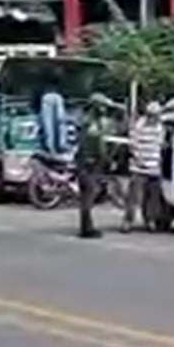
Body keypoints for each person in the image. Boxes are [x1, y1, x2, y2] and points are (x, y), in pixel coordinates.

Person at [74, 94, 115, 240]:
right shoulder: (90, 123)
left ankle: (87, 226)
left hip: (88, 162)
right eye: (102, 107)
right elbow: (94, 145)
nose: (104, 110)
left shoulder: (90, 121)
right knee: (89, 195)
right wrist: (104, 158)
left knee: (89, 195)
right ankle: (86, 228)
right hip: (88, 163)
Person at [124, 101, 164, 232]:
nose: (155, 118)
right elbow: (133, 145)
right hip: (139, 167)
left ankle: (150, 221)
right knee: (134, 197)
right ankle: (128, 221)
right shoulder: (138, 126)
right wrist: (139, 159)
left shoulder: (159, 128)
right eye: (153, 115)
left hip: (154, 167)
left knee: (153, 198)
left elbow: (160, 145)